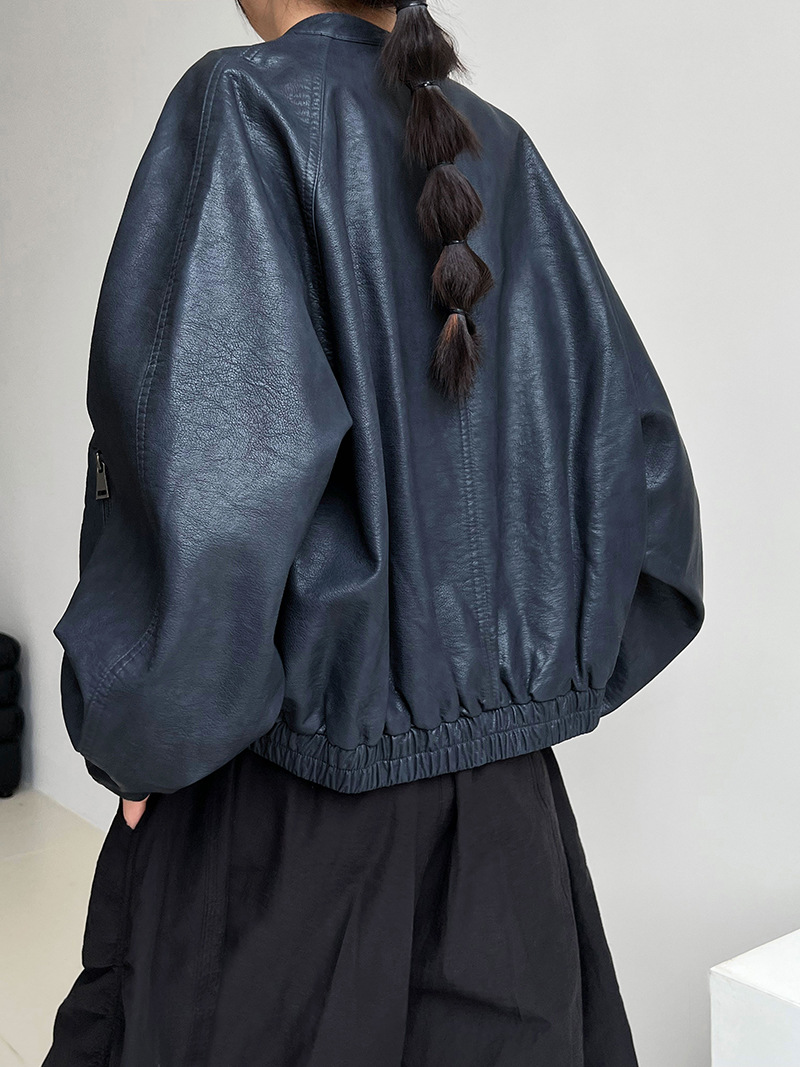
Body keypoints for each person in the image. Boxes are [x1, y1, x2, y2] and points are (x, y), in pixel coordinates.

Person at [43, 0, 704, 1063]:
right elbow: (649, 506)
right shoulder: (501, 149)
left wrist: (141, 735)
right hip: (512, 846)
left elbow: (212, 490)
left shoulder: (243, 104)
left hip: (289, 834)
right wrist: (500, 699)